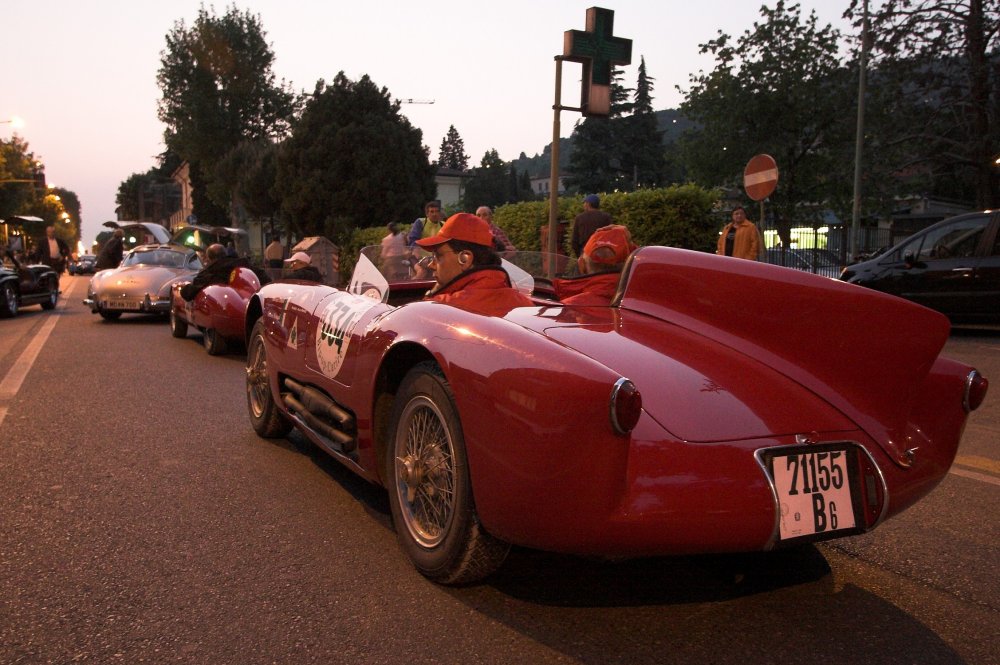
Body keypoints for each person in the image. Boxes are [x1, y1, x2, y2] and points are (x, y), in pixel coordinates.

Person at [414, 212, 533, 314]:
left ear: (465, 259)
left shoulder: (440, 307)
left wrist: (434, 292)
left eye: (438, 256)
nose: (431, 265)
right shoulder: (525, 304)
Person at [554, 225, 637, 306]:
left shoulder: (567, 308)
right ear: (628, 265)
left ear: (582, 265)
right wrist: (631, 245)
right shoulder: (640, 305)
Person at [180, 243, 269, 301]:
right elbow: (265, 278)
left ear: (209, 258)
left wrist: (184, 287)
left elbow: (188, 293)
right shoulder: (243, 263)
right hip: (252, 300)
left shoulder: (212, 271)